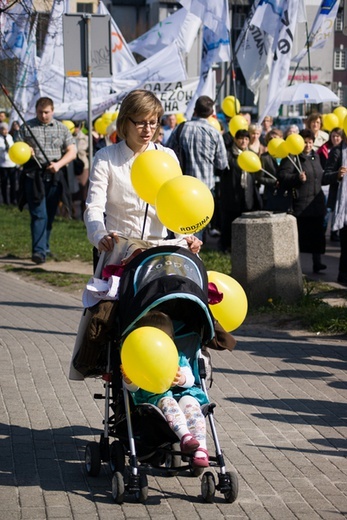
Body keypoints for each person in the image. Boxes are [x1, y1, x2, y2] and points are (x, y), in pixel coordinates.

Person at [84, 89, 201, 266]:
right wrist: (99, 235)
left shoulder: (167, 156)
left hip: (159, 252)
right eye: (140, 123)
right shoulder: (106, 157)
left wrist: (186, 237)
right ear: (125, 121)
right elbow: (94, 205)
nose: (148, 130)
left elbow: (176, 203)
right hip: (119, 251)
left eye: (153, 123)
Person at [121, 310, 209, 468]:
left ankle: (201, 448)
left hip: (183, 393)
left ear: (171, 339)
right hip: (158, 396)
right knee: (168, 402)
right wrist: (129, 380)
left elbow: (190, 378)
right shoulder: (139, 358)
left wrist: (182, 379)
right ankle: (186, 437)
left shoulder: (177, 356)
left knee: (192, 405)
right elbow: (133, 387)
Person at [19, 97, 76, 264]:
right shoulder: (26, 127)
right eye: (40, 112)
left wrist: (58, 165)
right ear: (36, 111)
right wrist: (25, 149)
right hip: (33, 175)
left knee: (50, 213)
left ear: (52, 111)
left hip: (54, 174)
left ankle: (45, 246)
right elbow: (15, 147)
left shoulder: (61, 128)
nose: (43, 115)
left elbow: (72, 151)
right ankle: (38, 252)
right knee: (39, 214)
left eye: (46, 112)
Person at [166, 95, 228, 240]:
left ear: (195, 110)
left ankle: (186, 254)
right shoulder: (214, 133)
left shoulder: (181, 128)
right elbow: (222, 164)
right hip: (205, 187)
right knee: (198, 225)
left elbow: (167, 152)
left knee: (182, 226)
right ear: (211, 113)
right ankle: (194, 255)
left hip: (182, 185)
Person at [278, 129, 327, 273]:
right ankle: (296, 267)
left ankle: (317, 263)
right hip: (300, 204)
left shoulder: (315, 158)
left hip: (316, 204)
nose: (308, 145)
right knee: (300, 238)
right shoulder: (293, 158)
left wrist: (336, 175)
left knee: (317, 236)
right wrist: (296, 178)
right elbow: (282, 176)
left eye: (310, 142)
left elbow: (321, 177)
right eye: (305, 142)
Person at [218, 128, 262, 253]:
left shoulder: (251, 154)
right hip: (231, 195)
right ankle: (226, 247)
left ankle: (243, 247)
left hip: (247, 194)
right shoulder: (228, 154)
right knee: (229, 223)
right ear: (235, 140)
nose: (243, 141)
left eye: (246, 139)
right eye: (241, 139)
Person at [323, 133, 347, 285]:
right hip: (343, 206)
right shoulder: (337, 151)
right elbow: (325, 176)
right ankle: (343, 277)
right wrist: (337, 175)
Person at [255, 128, 292, 212]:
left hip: (287, 195)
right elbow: (259, 177)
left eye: (276, 138)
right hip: (271, 195)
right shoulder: (264, 157)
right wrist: (273, 182)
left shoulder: (289, 155)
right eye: (270, 139)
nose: (273, 141)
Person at [317, 127, 344, 241]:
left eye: (338, 136)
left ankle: (334, 233)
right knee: (328, 213)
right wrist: (337, 175)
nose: (335, 138)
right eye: (333, 136)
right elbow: (326, 175)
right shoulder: (334, 151)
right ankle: (324, 236)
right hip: (332, 188)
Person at [0, 122, 17, 205]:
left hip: (11, 163)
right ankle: (5, 200)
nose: (5, 131)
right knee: (4, 183)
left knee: (13, 183)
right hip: (3, 164)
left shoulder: (10, 137)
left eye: (6, 129)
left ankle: (13, 199)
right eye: (3, 129)